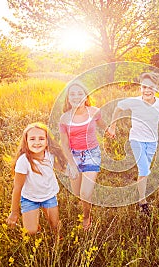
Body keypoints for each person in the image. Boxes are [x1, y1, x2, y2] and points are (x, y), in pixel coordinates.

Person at [107, 72, 159, 217]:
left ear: (156, 88)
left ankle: (141, 191)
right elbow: (118, 108)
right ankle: (142, 202)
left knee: (144, 171)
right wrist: (113, 126)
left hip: (152, 141)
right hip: (136, 139)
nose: (147, 90)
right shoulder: (134, 101)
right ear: (140, 87)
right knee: (144, 170)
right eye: (144, 87)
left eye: (151, 87)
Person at [59, 81, 106, 230]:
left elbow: (102, 124)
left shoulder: (94, 112)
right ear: (68, 98)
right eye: (72, 94)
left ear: (86, 97)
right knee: (77, 193)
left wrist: (109, 130)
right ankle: (84, 203)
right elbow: (64, 145)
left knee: (85, 193)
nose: (76, 97)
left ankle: (87, 217)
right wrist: (72, 165)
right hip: (74, 156)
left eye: (80, 93)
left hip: (92, 154)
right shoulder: (64, 119)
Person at [6, 122, 67, 235]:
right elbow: (17, 188)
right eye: (32, 139)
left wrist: (71, 170)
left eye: (41, 138)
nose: (37, 142)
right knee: (31, 231)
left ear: (47, 142)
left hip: (48, 196)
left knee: (55, 226)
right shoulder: (23, 161)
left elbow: (60, 167)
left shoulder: (50, 154)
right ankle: (34, 224)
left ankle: (58, 242)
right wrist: (14, 212)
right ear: (26, 142)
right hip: (30, 198)